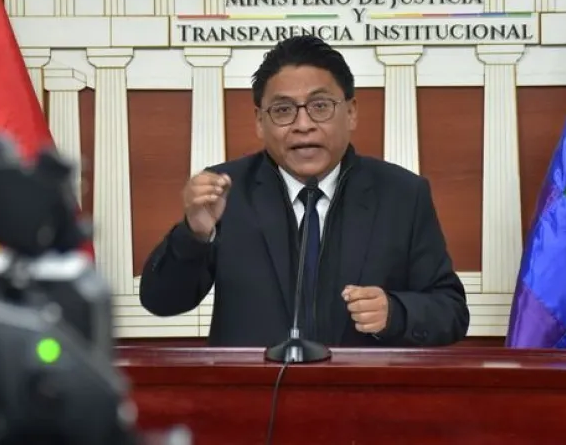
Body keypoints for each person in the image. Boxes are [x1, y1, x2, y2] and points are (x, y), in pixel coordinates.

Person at [139, 35, 470, 348]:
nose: (303, 125)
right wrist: (194, 235)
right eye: (283, 110)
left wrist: (396, 313)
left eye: (320, 106)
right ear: (259, 121)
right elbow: (162, 302)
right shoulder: (226, 192)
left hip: (362, 400)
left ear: (351, 112)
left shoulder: (402, 195)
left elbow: (451, 311)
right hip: (252, 401)